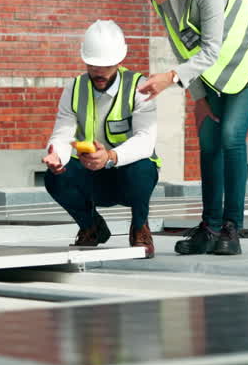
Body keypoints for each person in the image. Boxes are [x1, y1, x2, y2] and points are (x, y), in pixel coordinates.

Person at [127, 0, 248, 256]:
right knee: (208, 138)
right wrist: (199, 97)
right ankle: (209, 227)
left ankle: (232, 228)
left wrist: (169, 79)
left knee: (231, 135)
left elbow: (211, 49)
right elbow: (181, 46)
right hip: (214, 71)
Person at [42, 20, 160, 259]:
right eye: (93, 64)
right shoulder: (73, 88)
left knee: (144, 166)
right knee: (53, 178)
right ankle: (91, 226)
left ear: (119, 61)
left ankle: (140, 227)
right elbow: (62, 135)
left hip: (127, 175)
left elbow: (146, 140)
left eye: (106, 65)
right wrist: (57, 157)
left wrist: (110, 157)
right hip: (91, 175)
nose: (99, 71)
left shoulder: (139, 87)